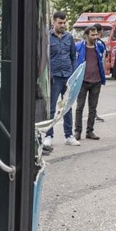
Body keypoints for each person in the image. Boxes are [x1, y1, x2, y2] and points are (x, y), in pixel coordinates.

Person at [45, 10, 78, 147]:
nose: (63, 25)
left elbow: (73, 57)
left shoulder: (69, 37)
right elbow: (44, 59)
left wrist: (72, 75)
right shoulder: (47, 37)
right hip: (54, 78)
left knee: (67, 107)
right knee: (51, 109)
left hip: (67, 77)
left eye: (64, 22)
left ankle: (69, 135)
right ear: (54, 22)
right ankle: (49, 136)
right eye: (60, 23)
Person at [73, 24, 105, 140]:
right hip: (82, 81)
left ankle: (90, 131)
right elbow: (74, 61)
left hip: (96, 81)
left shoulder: (100, 46)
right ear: (86, 35)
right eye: (93, 35)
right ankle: (77, 131)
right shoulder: (78, 47)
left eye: (96, 34)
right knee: (79, 107)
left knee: (93, 108)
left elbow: (102, 60)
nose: (95, 36)